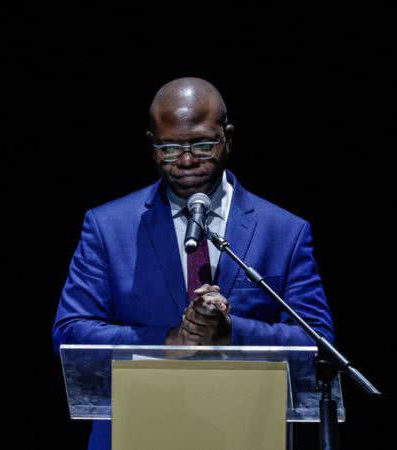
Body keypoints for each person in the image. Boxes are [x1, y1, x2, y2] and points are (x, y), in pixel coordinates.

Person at [53, 77, 334, 450]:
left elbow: (318, 343)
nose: (185, 161)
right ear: (152, 145)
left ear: (228, 138)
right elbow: (71, 333)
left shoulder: (284, 231)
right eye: (169, 148)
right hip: (135, 432)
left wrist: (232, 334)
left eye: (202, 145)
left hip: (249, 432)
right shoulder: (108, 227)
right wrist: (170, 342)